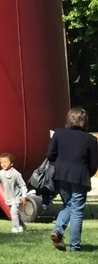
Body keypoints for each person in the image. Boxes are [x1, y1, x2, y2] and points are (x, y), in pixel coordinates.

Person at [47, 107, 98, 253]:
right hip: (80, 177)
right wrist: (87, 174)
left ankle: (58, 230)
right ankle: (75, 246)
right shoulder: (91, 139)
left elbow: (50, 154)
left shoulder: (58, 133)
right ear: (85, 121)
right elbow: (94, 164)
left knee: (69, 204)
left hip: (60, 175)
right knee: (77, 210)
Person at [0, 152, 28, 233]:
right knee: (15, 213)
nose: (3, 164)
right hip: (8, 197)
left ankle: (16, 227)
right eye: (1, 162)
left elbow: (23, 185)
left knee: (13, 212)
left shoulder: (16, 174)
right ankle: (22, 225)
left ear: (11, 163)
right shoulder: (1, 173)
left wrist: (24, 196)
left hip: (17, 197)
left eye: (5, 162)